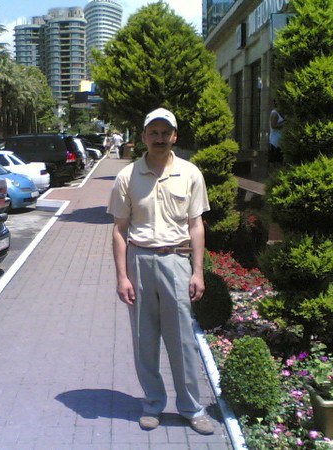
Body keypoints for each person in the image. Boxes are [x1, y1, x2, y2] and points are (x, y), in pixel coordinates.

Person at [107, 107, 216, 435]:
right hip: (140, 261)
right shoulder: (127, 176)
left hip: (176, 261)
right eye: (153, 132)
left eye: (165, 132)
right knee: (144, 339)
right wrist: (122, 276)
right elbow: (119, 229)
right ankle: (153, 404)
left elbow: (196, 225)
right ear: (143, 137)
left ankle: (192, 408)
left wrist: (198, 271)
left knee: (182, 339)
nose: (159, 138)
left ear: (174, 136)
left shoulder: (190, 173)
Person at [268, 103, 284, 167]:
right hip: (275, 141)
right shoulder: (274, 113)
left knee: (279, 160)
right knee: (274, 161)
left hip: (281, 141)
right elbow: (273, 126)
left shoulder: (281, 113)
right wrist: (284, 122)